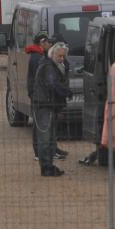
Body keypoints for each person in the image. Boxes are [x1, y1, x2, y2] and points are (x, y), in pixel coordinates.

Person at [24, 33, 68, 161]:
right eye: (47, 42)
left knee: (47, 124)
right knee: (42, 125)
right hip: (40, 97)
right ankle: (41, 152)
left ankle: (51, 149)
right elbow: (45, 80)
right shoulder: (38, 58)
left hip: (40, 96)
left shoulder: (40, 56)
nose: (49, 44)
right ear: (41, 43)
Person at [32, 42, 72, 177]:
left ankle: (48, 165)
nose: (62, 59)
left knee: (50, 138)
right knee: (45, 138)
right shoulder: (49, 66)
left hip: (49, 106)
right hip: (44, 106)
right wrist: (65, 91)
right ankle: (46, 167)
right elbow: (52, 84)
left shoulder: (54, 66)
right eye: (60, 56)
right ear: (53, 54)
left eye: (63, 56)